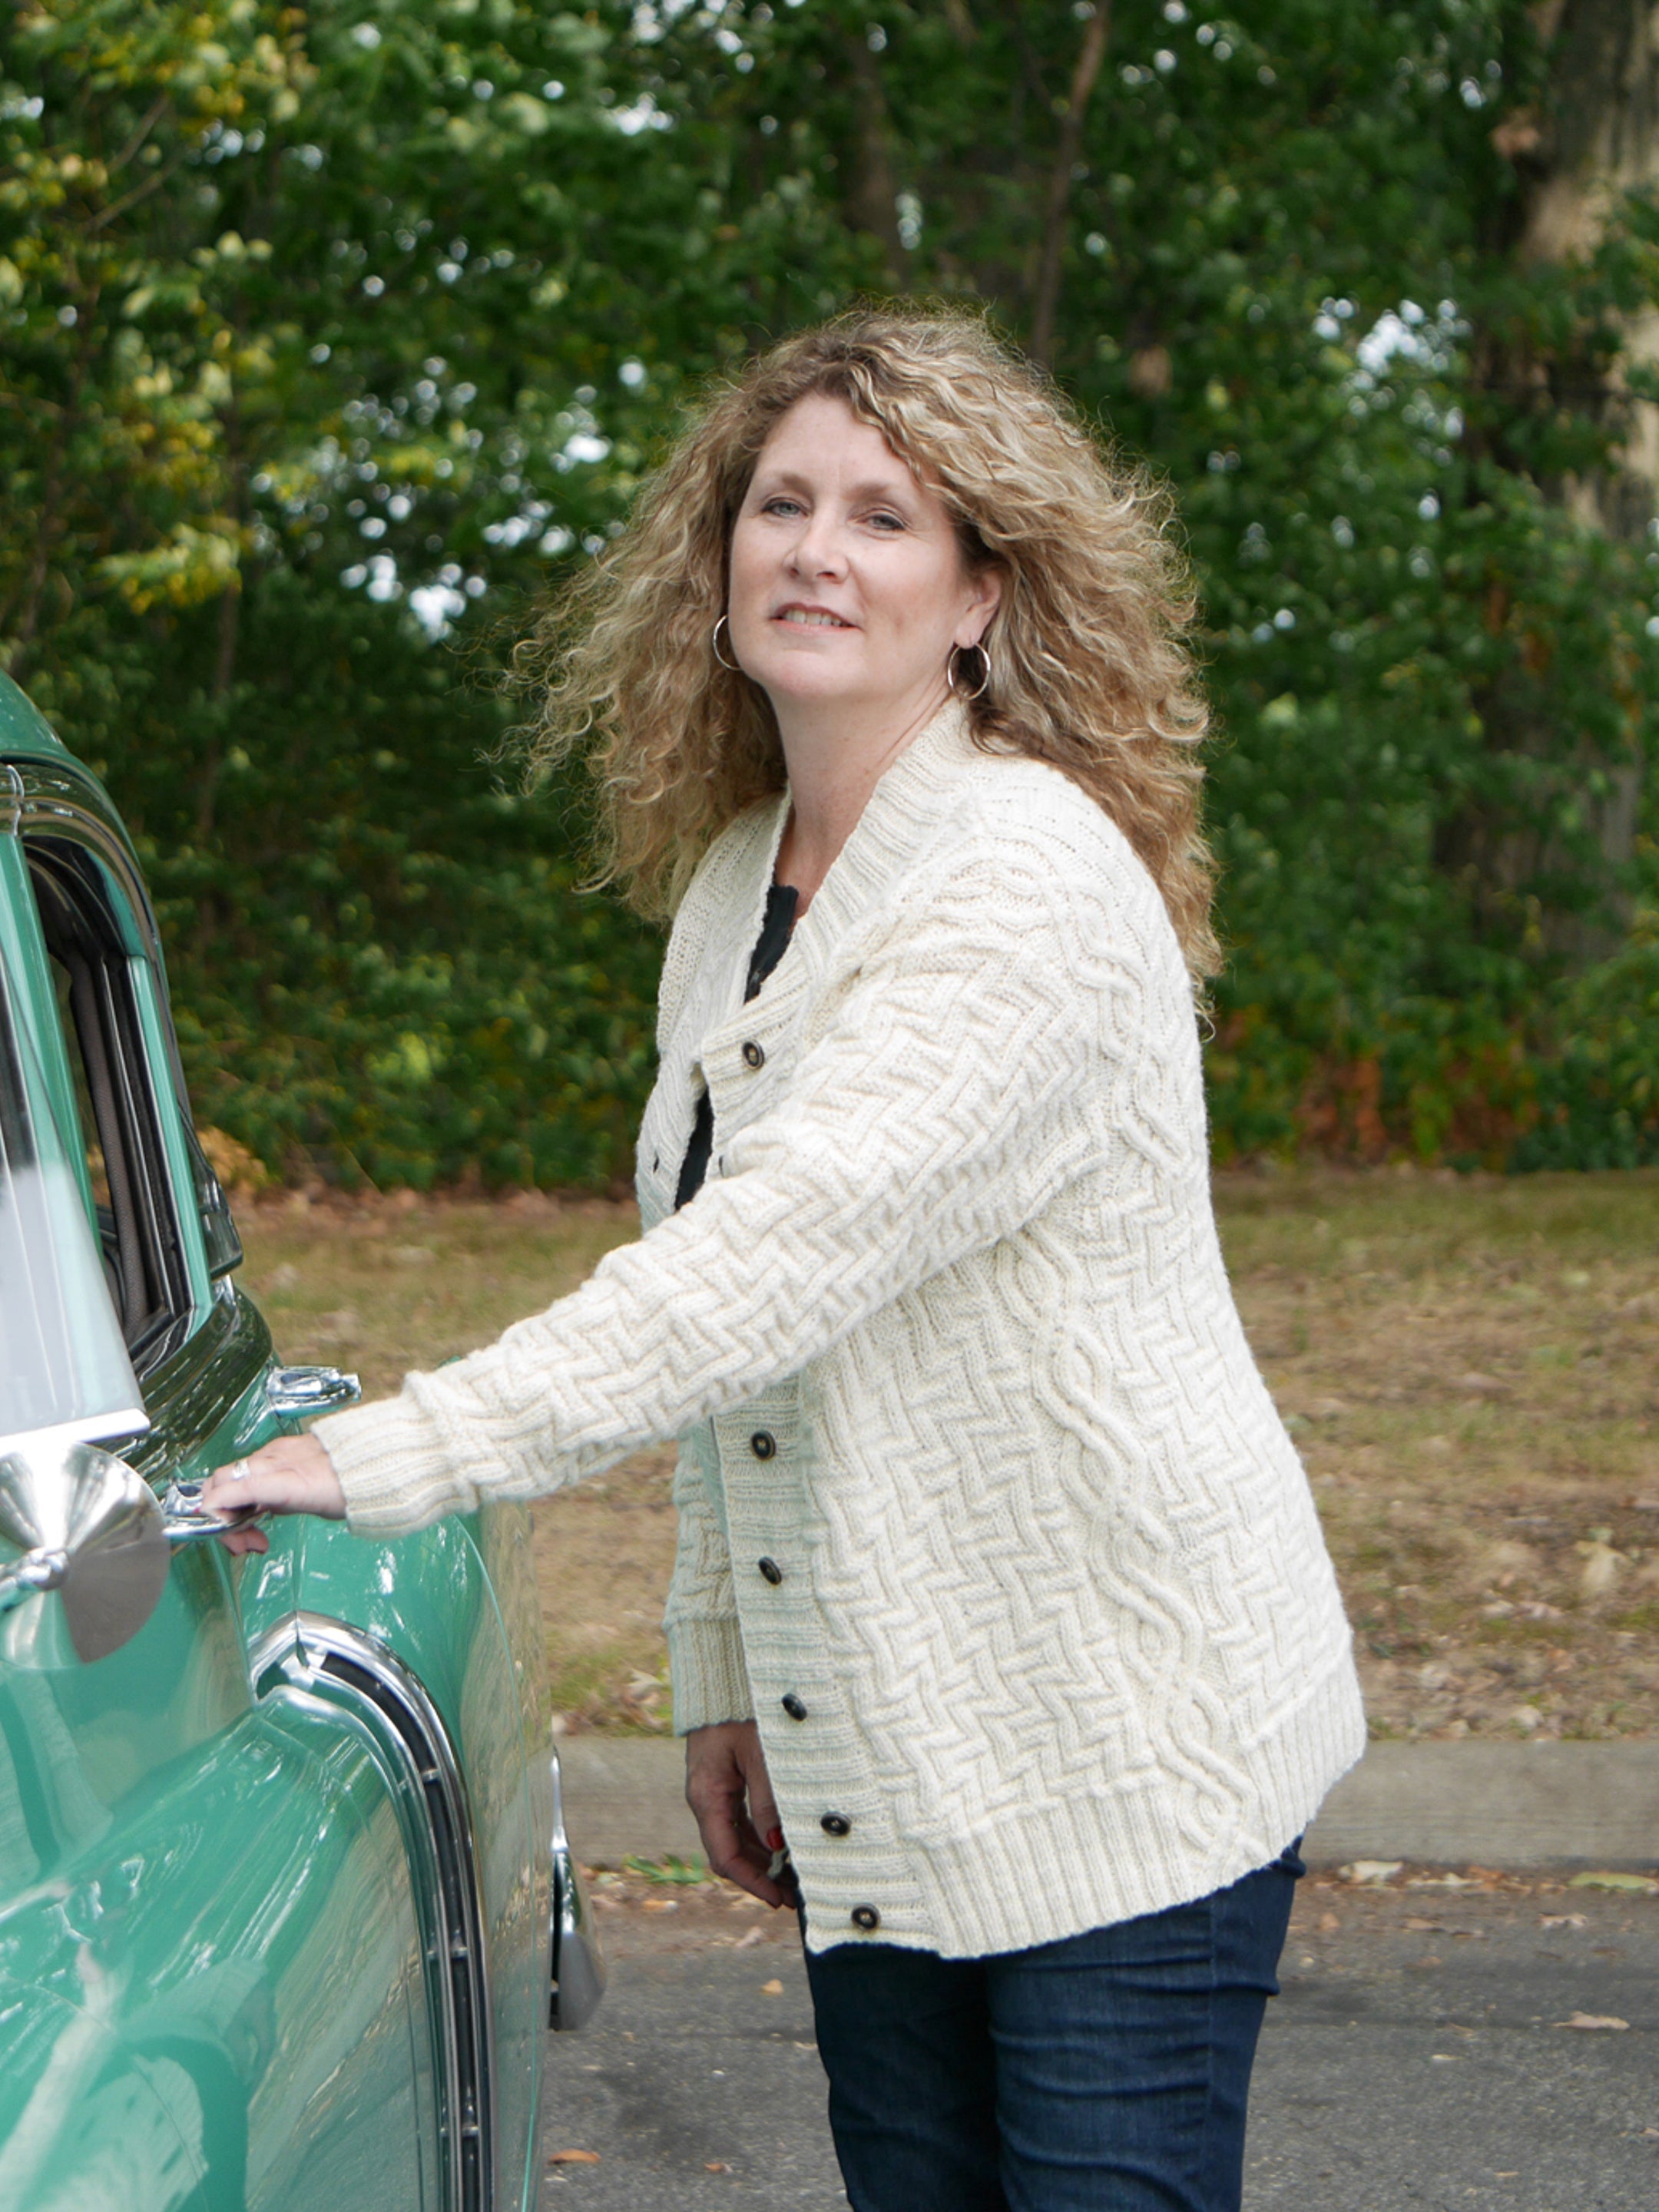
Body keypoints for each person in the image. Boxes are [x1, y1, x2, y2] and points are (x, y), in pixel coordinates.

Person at [205, 309, 1365, 2212]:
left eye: (886, 517)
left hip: (1119, 1738)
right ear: (720, 558)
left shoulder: (1028, 881)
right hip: (887, 1737)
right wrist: (724, 1671)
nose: (816, 549)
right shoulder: (743, 885)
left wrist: (379, 1458)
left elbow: (761, 1270)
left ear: (982, 594)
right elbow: (753, 1360)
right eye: (781, 504)